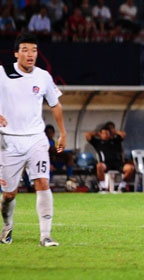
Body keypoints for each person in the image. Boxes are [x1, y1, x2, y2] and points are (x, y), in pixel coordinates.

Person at [0, 33, 66, 247]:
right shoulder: (3, 73)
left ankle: (45, 236)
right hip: (8, 141)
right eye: (26, 50)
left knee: (42, 183)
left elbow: (55, 104)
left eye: (34, 50)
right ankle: (7, 226)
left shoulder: (43, 76)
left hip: (36, 139)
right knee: (9, 194)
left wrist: (63, 133)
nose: (30, 55)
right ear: (16, 53)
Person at [85, 125, 134, 192]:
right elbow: (87, 135)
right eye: (103, 133)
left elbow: (123, 134)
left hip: (118, 163)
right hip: (106, 163)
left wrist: (114, 132)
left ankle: (122, 185)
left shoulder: (115, 140)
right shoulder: (97, 142)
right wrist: (97, 133)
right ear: (100, 134)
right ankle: (103, 186)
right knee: (99, 166)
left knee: (130, 168)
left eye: (107, 133)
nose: (105, 135)